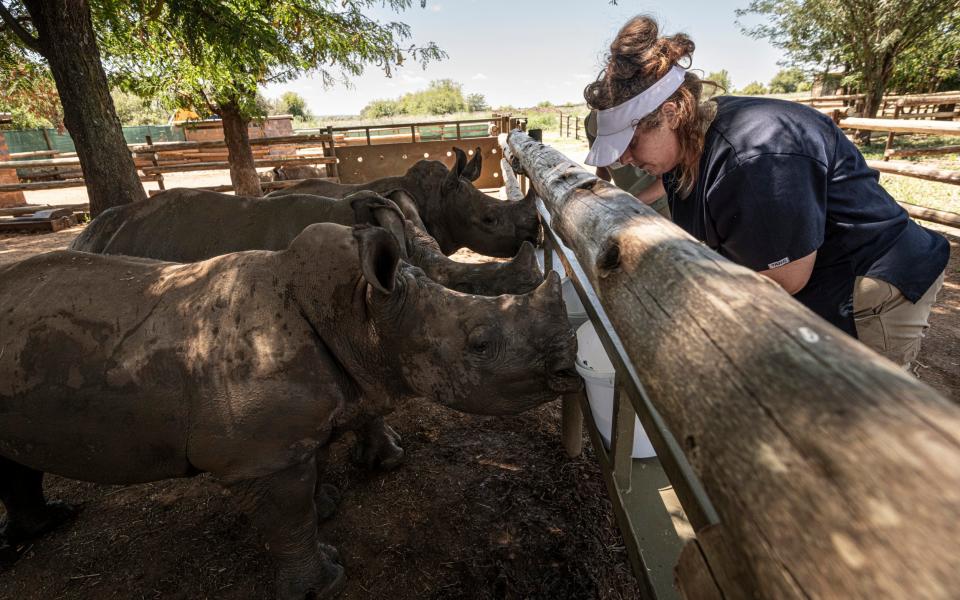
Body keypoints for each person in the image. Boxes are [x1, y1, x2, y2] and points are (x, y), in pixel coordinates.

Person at [583, 15, 949, 369]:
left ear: (672, 112)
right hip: (814, 274)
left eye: (631, 142)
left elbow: (785, 278)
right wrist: (627, 205)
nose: (625, 159)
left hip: (870, 281)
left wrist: (675, 297)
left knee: (859, 409)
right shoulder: (693, 133)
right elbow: (672, 181)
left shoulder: (756, 156)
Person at [584, 109, 671, 219]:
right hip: (626, 203)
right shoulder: (591, 122)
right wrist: (595, 196)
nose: (623, 160)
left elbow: (666, 179)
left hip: (659, 205)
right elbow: (602, 168)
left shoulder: (636, 112)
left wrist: (627, 204)